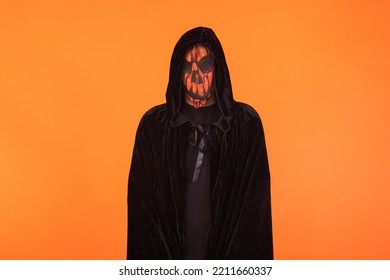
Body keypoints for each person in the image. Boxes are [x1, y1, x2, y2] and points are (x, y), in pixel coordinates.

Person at [127, 27, 273, 259]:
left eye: (205, 65)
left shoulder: (245, 125)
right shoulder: (153, 127)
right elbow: (143, 217)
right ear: (177, 70)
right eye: (187, 66)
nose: (196, 75)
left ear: (218, 69)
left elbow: (254, 216)